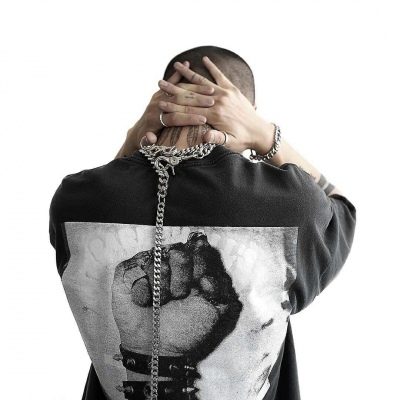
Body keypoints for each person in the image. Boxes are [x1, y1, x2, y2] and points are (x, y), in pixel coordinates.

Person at [49, 46, 356, 400]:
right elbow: (342, 209)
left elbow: (107, 186)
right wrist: (267, 136)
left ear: (160, 105)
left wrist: (134, 139)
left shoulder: (74, 199)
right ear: (244, 112)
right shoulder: (294, 203)